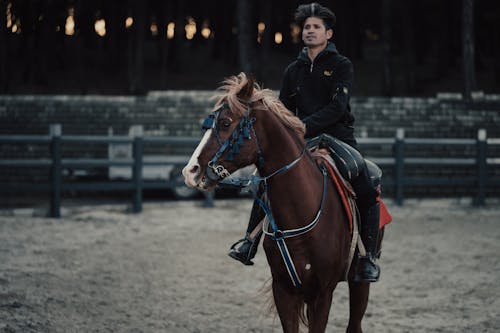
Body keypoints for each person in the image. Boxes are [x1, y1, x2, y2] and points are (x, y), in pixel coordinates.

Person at [228, 2, 381, 282]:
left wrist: (302, 125)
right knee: (266, 178)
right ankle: (249, 241)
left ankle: (366, 255)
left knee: (367, 178)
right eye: (306, 27)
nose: (310, 31)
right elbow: (284, 108)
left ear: (328, 34)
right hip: (303, 141)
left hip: (339, 138)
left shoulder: (341, 65)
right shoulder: (293, 70)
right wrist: (288, 128)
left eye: (316, 27)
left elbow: (338, 107)